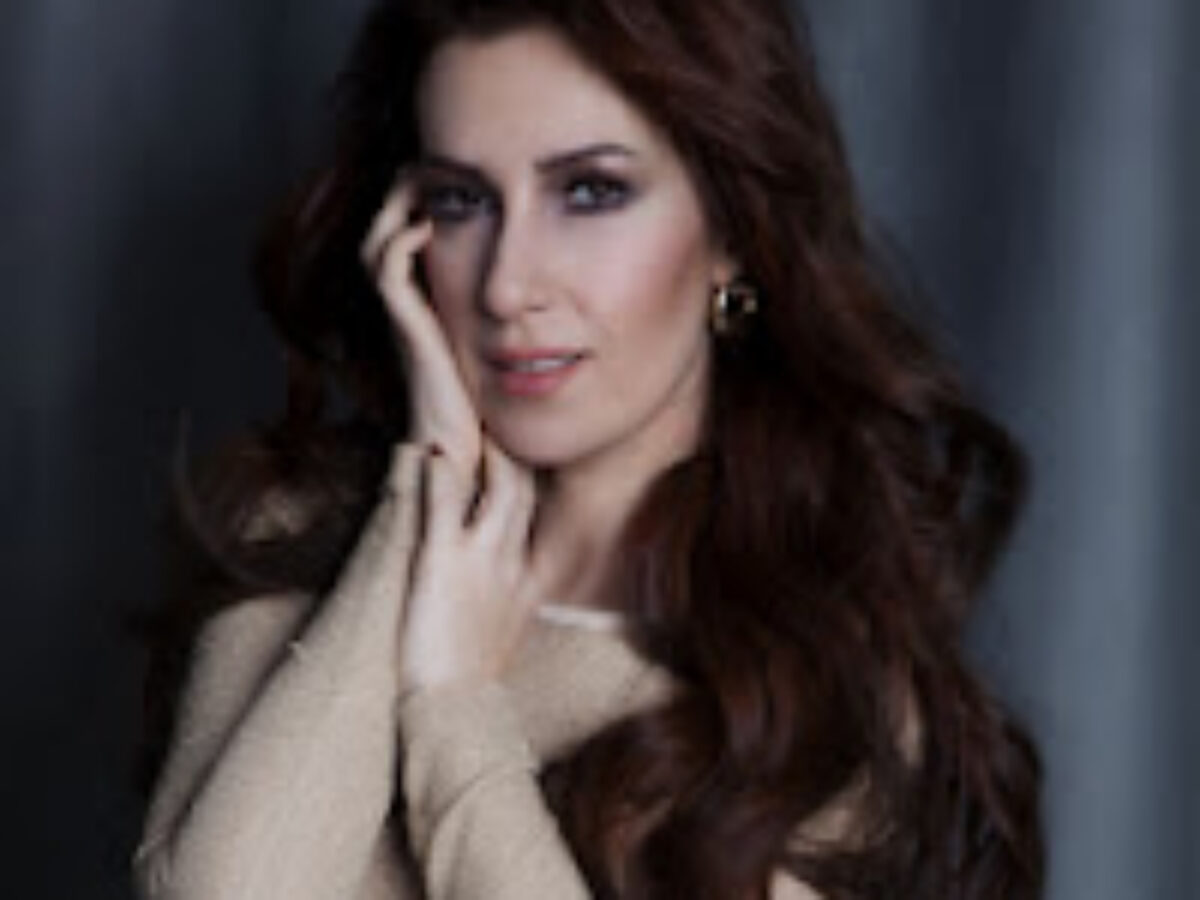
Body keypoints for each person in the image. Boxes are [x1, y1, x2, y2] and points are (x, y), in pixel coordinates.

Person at [134, 0, 1044, 897]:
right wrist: (425, 494)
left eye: (590, 192)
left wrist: (454, 708)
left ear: (732, 231)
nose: (507, 284)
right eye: (460, 200)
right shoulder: (301, 531)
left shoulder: (812, 692)